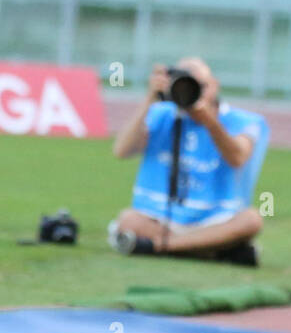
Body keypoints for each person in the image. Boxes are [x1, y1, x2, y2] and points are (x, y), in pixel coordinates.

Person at [110, 58, 265, 265]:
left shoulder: (243, 120)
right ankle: (213, 251)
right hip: (163, 218)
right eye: (185, 84)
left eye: (202, 86)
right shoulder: (162, 114)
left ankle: (158, 247)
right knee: (128, 219)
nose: (194, 91)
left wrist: (209, 122)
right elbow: (121, 151)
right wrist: (150, 99)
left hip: (216, 219)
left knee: (252, 220)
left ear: (215, 85)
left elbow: (237, 158)